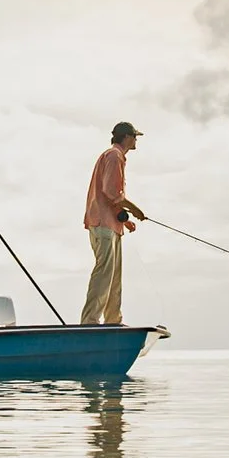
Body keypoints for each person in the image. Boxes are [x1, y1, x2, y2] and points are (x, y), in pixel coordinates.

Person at [80, 121, 144, 325]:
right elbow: (110, 192)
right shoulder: (114, 156)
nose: (136, 141)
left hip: (111, 224)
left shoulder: (115, 157)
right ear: (126, 137)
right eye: (135, 136)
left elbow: (109, 197)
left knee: (114, 277)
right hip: (103, 225)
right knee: (104, 273)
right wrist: (135, 210)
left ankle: (112, 321)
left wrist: (125, 220)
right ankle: (90, 322)